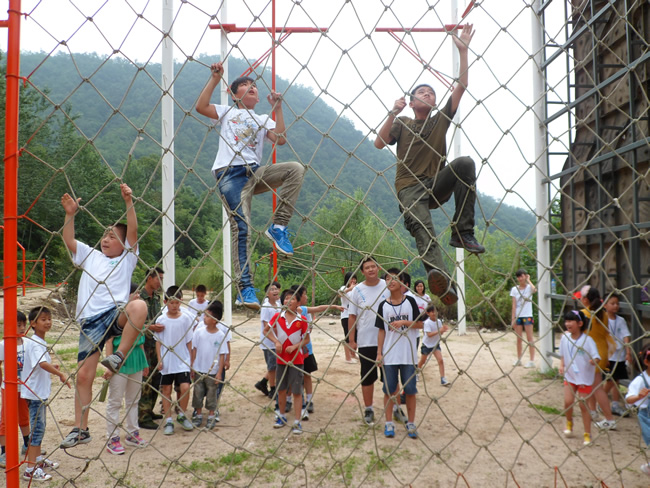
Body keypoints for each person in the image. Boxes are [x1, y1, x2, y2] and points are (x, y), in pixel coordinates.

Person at [374, 24, 483, 306]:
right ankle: (441, 281)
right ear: (411, 102)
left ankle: (463, 231)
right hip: (409, 189)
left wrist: (463, 50)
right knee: (424, 229)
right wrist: (392, 112)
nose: (427, 95)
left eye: (431, 94)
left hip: (435, 185)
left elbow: (462, 86)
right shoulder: (403, 122)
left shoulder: (439, 120)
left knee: (466, 163)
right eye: (421, 92)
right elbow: (379, 142)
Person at [196, 61, 305, 310]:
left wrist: (277, 108)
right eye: (245, 85)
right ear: (235, 95)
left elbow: (280, 139)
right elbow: (201, 107)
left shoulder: (263, 118)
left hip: (254, 172)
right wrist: (215, 79)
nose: (251, 87)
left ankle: (278, 227)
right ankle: (245, 288)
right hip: (230, 174)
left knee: (295, 169)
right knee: (241, 228)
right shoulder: (228, 112)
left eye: (254, 85)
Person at [60, 184, 148, 448]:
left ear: (124, 243)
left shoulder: (128, 259)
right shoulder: (91, 255)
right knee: (84, 376)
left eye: (112, 236)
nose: (106, 239)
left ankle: (119, 354)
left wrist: (128, 200)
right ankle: (80, 429)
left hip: (116, 314)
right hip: (90, 320)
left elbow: (132, 230)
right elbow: (69, 240)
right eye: (105, 235)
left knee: (140, 306)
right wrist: (70, 215)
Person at [22, 306, 69, 481]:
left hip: (39, 393)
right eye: (43, 319)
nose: (47, 322)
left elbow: (39, 365)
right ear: (33, 323)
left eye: (49, 318)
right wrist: (60, 374)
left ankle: (38, 460)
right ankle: (30, 469)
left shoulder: (39, 342)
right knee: (37, 430)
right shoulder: (35, 343)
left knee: (39, 430)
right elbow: (42, 364)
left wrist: (52, 368)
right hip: (35, 395)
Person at [376, 268, 424, 439]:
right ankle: (389, 423)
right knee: (389, 389)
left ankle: (410, 423)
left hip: (407, 354)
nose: (391, 281)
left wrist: (405, 322)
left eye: (395, 278)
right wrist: (379, 354)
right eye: (388, 278)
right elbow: (381, 331)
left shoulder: (410, 302)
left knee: (410, 389)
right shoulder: (383, 305)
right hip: (389, 355)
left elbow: (421, 325)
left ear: (402, 282)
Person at [103, 284, 149, 455]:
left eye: (138, 293)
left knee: (133, 399)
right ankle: (112, 439)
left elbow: (141, 339)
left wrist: (144, 363)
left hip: (137, 358)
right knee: (115, 401)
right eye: (133, 294)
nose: (137, 296)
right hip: (120, 360)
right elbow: (109, 340)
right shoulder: (117, 314)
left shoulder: (139, 313)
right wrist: (109, 365)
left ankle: (132, 433)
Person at [291, 284, 344, 420]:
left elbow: (319, 308)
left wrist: (334, 307)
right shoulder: (288, 313)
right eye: (305, 294)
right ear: (299, 297)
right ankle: (295, 401)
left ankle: (309, 400)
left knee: (307, 374)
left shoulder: (303, 310)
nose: (307, 297)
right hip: (292, 350)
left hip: (305, 349)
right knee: (294, 376)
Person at [348, 256, 390, 425]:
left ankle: (393, 408)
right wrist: (352, 340)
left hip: (388, 339)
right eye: (367, 267)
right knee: (367, 376)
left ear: (378, 268)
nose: (371, 269)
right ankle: (369, 409)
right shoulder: (357, 290)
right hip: (366, 340)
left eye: (373, 266)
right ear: (362, 271)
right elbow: (352, 316)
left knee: (390, 377)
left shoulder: (387, 286)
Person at [266, 289, 310, 435]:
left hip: (297, 361)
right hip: (281, 360)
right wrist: (276, 342)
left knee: (297, 391)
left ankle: (297, 422)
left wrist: (296, 346)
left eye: (291, 299)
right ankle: (281, 416)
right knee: (281, 389)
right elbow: (266, 330)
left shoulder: (302, 319)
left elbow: (307, 339)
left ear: (298, 302)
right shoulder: (278, 316)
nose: (288, 301)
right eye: (286, 299)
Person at [575, 286, 616, 429]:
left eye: (582, 297)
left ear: (586, 299)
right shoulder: (602, 313)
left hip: (590, 353)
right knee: (592, 385)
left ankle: (609, 419)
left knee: (596, 387)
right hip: (602, 351)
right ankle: (592, 412)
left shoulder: (582, 313)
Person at [155, 286, 195, 435]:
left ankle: (182, 415)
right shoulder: (161, 319)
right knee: (166, 390)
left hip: (182, 359)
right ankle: (168, 421)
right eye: (171, 302)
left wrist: (191, 361)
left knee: (185, 387)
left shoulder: (186, 318)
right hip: (167, 360)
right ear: (165, 302)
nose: (174, 306)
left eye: (177, 303)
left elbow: (189, 340)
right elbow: (158, 341)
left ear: (181, 301)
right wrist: (160, 360)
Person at [559, 310, 599, 447]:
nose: (567, 324)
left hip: (584, 378)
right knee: (568, 401)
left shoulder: (588, 340)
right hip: (570, 376)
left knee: (583, 405)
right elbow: (562, 354)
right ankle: (569, 422)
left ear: (580, 323)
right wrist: (561, 365)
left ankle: (587, 434)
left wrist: (594, 361)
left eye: (571, 321)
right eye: (566, 321)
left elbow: (596, 356)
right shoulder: (564, 337)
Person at [0, 311, 31, 468]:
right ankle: (4, 452)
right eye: (18, 325)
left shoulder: (28, 343)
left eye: (23, 325)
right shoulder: (4, 344)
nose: (21, 328)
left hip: (24, 387)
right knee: (6, 420)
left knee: (25, 417)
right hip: (9, 388)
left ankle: (27, 445)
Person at [191, 300, 228, 430]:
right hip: (199, 369)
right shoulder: (199, 332)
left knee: (212, 394)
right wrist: (192, 366)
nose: (204, 318)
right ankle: (198, 415)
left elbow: (222, 354)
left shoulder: (220, 335)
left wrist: (219, 372)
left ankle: (211, 416)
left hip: (213, 372)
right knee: (197, 392)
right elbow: (194, 349)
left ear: (214, 319)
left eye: (207, 316)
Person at [138, 266, 165, 430]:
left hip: (155, 343)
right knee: (145, 380)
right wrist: (150, 327)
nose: (160, 282)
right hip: (143, 344)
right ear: (149, 278)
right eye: (158, 279)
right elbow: (134, 322)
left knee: (156, 378)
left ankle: (150, 410)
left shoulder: (156, 298)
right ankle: (143, 416)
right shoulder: (138, 298)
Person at [603, 294, 631, 416]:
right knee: (611, 380)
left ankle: (615, 403)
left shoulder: (621, 320)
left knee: (617, 379)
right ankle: (600, 400)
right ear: (605, 305)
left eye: (617, 303)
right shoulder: (602, 319)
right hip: (608, 355)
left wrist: (628, 352)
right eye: (612, 303)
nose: (615, 306)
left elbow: (626, 336)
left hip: (620, 354)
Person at [625, 344, 650, 476]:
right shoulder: (641, 380)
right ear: (646, 362)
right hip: (646, 416)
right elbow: (628, 399)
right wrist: (639, 396)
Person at [255, 282, 282, 399]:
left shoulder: (279, 305)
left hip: (278, 340)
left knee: (276, 365)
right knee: (272, 367)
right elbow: (266, 326)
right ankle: (273, 389)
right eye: (272, 290)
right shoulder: (266, 307)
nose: (275, 291)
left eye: (276, 289)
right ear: (267, 294)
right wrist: (275, 339)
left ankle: (262, 383)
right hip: (269, 342)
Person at [417, 304, 450, 386]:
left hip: (435, 345)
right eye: (432, 312)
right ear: (428, 313)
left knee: (440, 360)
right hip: (427, 345)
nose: (434, 313)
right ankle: (416, 373)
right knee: (423, 361)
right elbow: (429, 334)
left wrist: (443, 330)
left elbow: (440, 333)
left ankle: (443, 378)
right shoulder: (427, 323)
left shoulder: (439, 322)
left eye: (435, 311)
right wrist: (440, 330)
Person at [510, 269, 537, 368]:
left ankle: (531, 360)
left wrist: (529, 280)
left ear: (525, 276)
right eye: (518, 277)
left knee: (530, 338)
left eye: (522, 276)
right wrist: (513, 318)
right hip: (518, 316)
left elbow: (534, 290)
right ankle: (519, 359)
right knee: (519, 339)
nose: (520, 278)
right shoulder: (514, 289)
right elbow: (514, 305)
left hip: (528, 315)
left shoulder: (529, 288)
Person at [339, 272, 358, 364]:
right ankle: (348, 357)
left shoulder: (357, 289)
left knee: (356, 336)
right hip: (346, 315)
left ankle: (353, 354)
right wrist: (350, 288)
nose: (353, 280)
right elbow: (340, 294)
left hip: (355, 315)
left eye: (354, 279)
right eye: (351, 278)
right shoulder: (344, 288)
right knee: (347, 336)